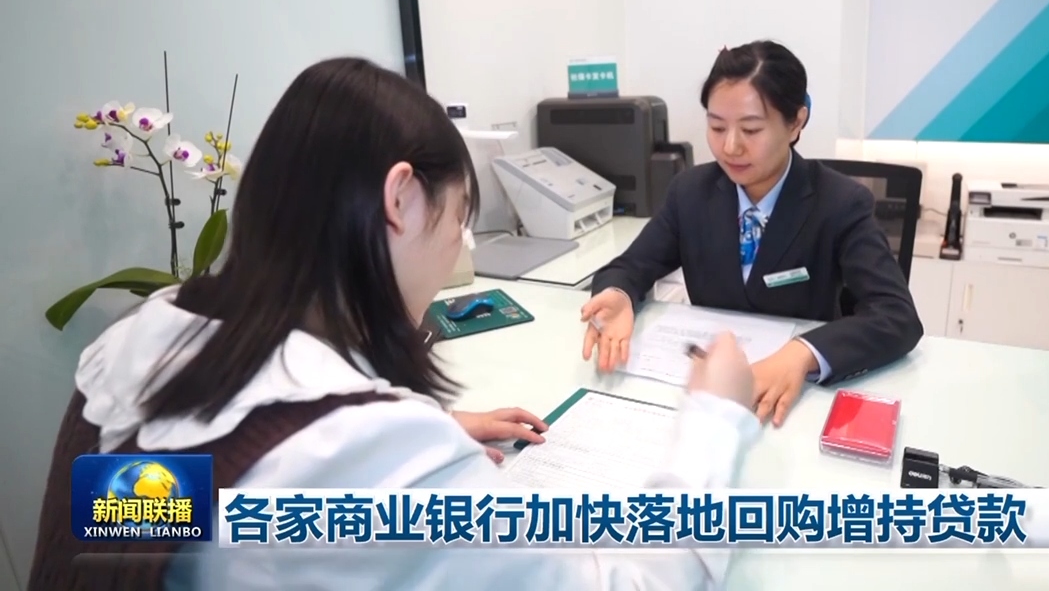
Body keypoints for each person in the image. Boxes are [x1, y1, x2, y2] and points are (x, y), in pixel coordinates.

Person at [28, 58, 762, 591]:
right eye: (459, 221)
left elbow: (177, 511)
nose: (454, 254)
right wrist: (715, 419)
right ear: (401, 198)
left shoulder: (141, 341)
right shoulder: (368, 455)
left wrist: (398, 427)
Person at [581, 40, 924, 427]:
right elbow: (630, 266)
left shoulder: (840, 202)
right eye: (716, 127)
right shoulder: (690, 192)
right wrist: (618, 295)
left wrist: (801, 354)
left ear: (795, 122)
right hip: (710, 396)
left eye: (751, 129)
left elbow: (897, 317)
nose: (730, 146)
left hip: (794, 402)